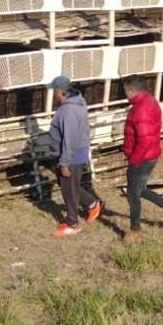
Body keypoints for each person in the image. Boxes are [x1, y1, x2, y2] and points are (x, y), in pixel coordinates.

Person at [121, 74, 163, 243]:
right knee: (140, 190)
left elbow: (144, 139)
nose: (125, 94)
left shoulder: (139, 109)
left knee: (133, 194)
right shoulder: (150, 101)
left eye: (126, 91)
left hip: (141, 158)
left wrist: (134, 159)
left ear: (132, 90)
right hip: (150, 155)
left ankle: (135, 232)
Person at [46, 76, 104, 237]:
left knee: (69, 191)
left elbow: (69, 139)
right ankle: (93, 204)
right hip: (77, 153)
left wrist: (64, 162)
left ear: (61, 92)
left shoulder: (68, 110)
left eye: (54, 91)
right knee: (70, 186)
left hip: (70, 155)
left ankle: (72, 223)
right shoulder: (77, 102)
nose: (53, 94)